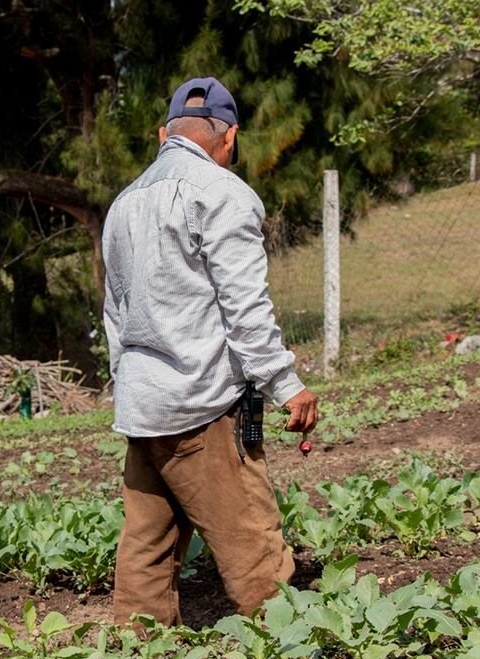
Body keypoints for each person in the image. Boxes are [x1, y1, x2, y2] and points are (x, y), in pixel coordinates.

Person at [102, 76, 320, 627]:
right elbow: (244, 306)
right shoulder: (223, 192)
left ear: (163, 135)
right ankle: (286, 641)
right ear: (231, 138)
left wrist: (130, 383)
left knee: (146, 549)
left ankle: (139, 647)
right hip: (202, 407)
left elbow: (114, 314)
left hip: (144, 407)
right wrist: (285, 383)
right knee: (254, 548)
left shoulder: (122, 204)